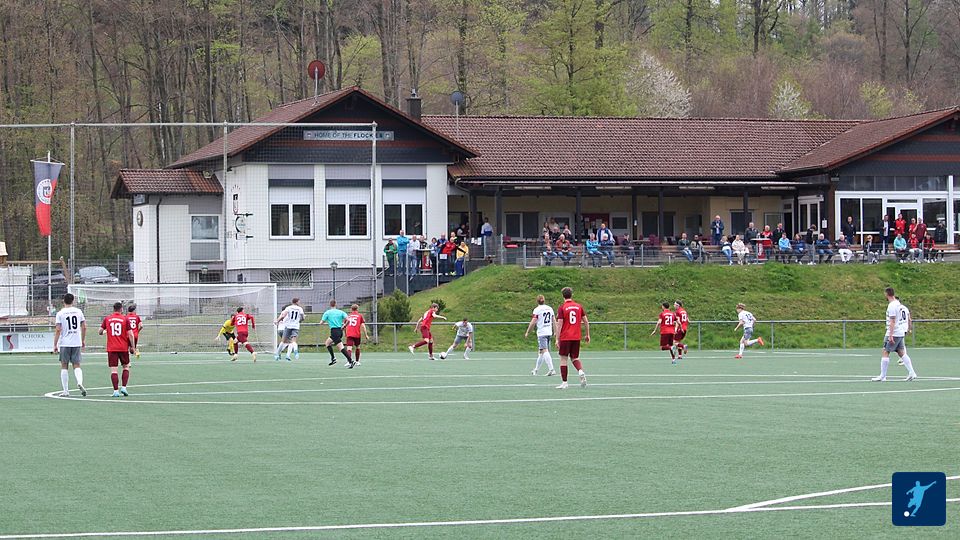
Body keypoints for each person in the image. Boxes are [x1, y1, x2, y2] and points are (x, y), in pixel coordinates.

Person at [872, 287, 917, 382]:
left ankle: (882, 376)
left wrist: (891, 335)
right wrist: (908, 329)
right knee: (901, 352)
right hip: (900, 332)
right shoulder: (902, 306)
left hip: (894, 332)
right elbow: (909, 319)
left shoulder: (892, 306)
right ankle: (912, 373)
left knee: (885, 351)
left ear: (886, 294)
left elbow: (892, 321)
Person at [553, 287, 589, 389]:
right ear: (571, 295)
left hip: (565, 337)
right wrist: (587, 334)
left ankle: (564, 383)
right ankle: (580, 371)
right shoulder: (579, 306)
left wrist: (557, 339)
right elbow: (586, 321)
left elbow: (560, 324)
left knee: (563, 359)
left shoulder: (562, 308)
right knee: (575, 358)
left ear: (563, 296)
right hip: (576, 337)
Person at [52, 293, 86, 397]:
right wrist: (82, 340)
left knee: (64, 366)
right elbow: (84, 327)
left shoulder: (60, 313)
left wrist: (55, 344)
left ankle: (66, 391)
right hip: (76, 342)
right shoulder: (78, 311)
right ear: (73, 301)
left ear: (63, 301)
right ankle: (79, 382)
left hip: (65, 343)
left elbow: (58, 330)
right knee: (77, 365)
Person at [99, 301, 134, 397]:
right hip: (123, 347)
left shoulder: (107, 319)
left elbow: (100, 331)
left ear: (113, 309)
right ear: (121, 309)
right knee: (126, 367)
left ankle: (115, 391)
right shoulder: (125, 319)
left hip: (112, 348)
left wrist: (105, 331)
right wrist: (133, 346)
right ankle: (124, 387)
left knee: (114, 370)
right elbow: (130, 334)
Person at [524, 294, 556, 376]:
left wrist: (528, 331)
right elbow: (554, 320)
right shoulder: (550, 308)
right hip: (549, 332)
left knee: (544, 350)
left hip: (542, 333)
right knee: (541, 352)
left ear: (537, 301)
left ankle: (551, 369)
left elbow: (533, 322)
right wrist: (555, 331)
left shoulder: (537, 310)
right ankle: (536, 370)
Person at [321, 300, 354, 367]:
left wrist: (325, 321)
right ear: (336, 304)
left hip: (334, 331)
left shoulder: (327, 312)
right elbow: (348, 320)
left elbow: (321, 322)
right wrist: (344, 325)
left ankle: (350, 361)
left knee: (341, 347)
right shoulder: (341, 312)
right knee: (327, 343)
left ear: (330, 305)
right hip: (340, 331)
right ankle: (333, 358)